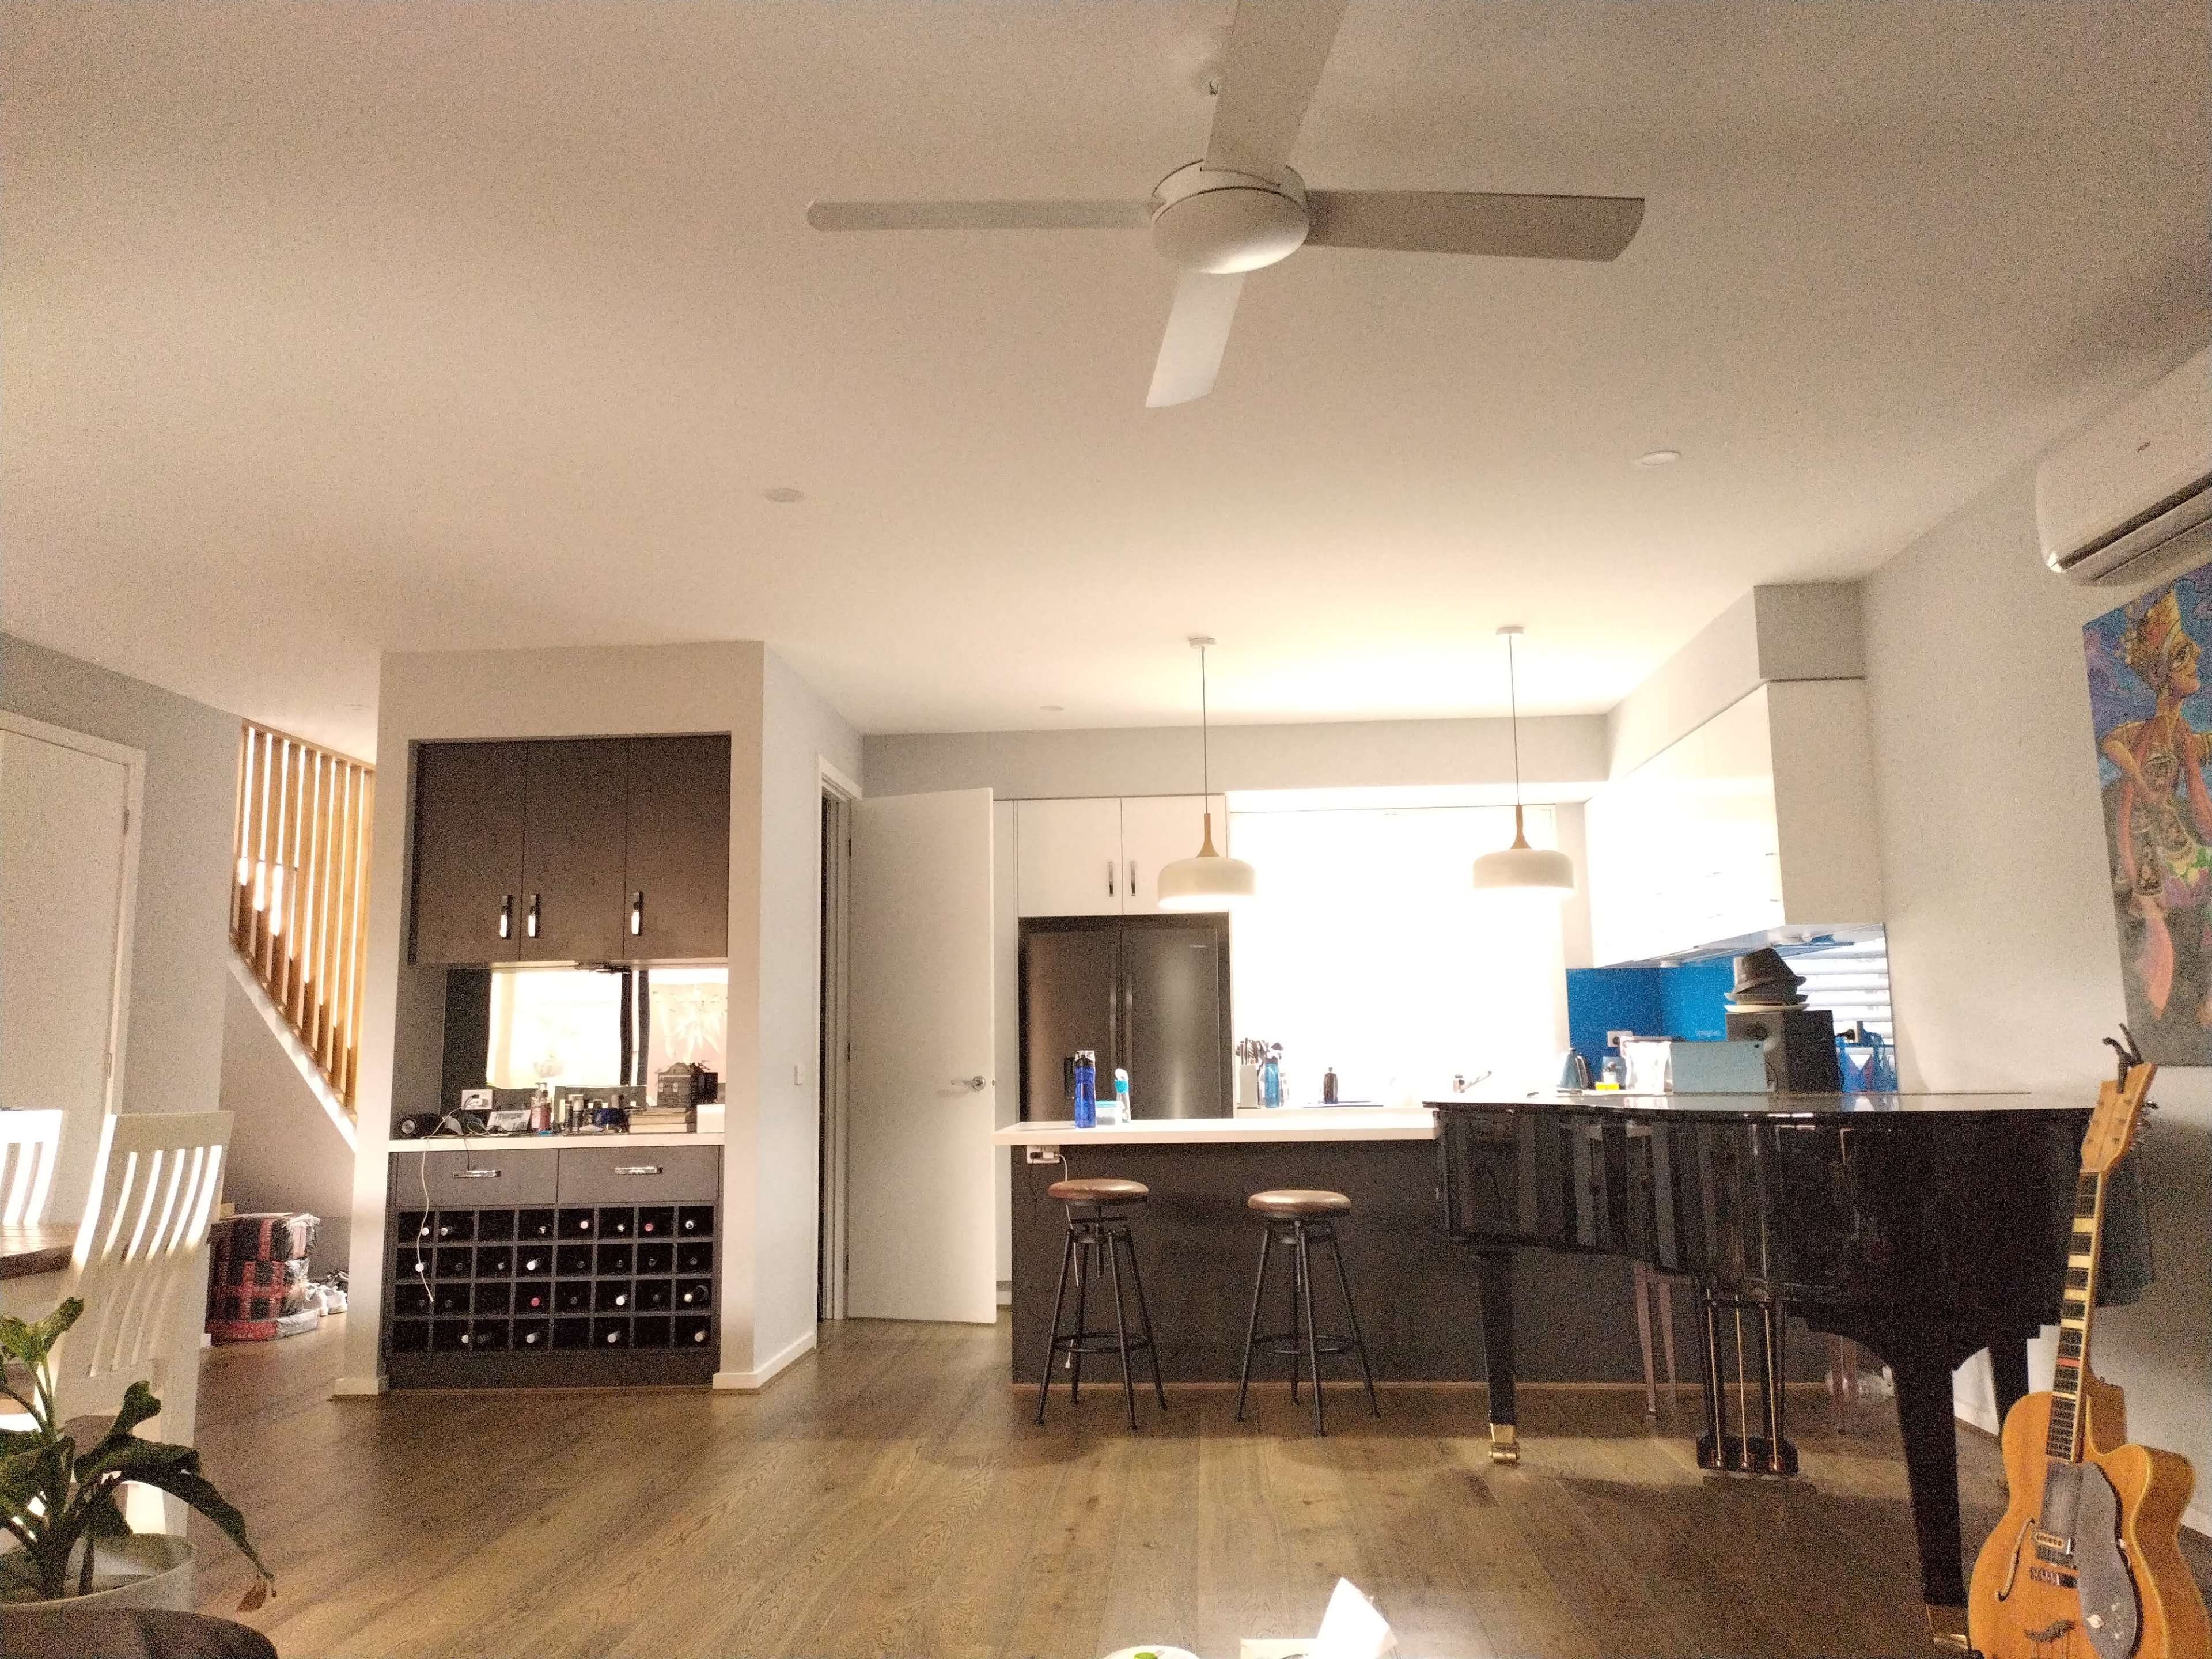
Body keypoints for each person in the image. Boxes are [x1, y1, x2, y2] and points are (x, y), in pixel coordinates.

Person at [2101, 587, 2212, 1022]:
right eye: (2184, 653)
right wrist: (2143, 787)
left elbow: (2198, 766)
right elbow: (2111, 746)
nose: (2197, 655)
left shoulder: (2184, 733)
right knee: (2159, 945)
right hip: (2151, 854)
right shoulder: (2140, 729)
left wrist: (2191, 758)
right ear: (2165, 671)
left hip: (2176, 844)